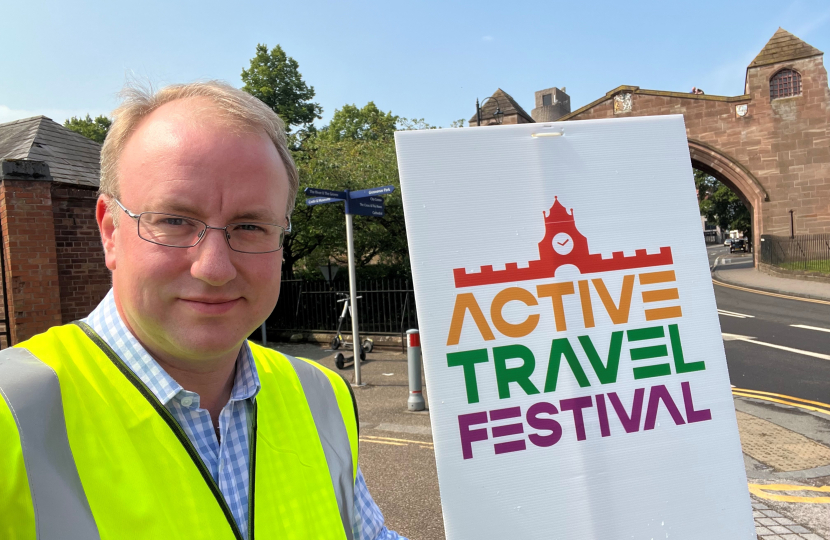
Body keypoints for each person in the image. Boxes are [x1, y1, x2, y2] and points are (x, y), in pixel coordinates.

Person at [0, 81, 405, 540]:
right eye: (174, 220)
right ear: (110, 231)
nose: (213, 267)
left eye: (250, 225)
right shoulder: (10, 415)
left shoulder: (322, 396)